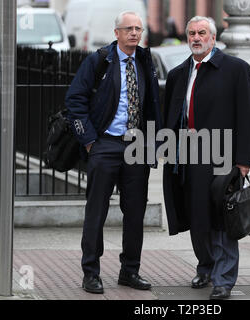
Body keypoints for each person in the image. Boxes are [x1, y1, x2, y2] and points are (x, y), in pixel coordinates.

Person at [162, 16, 250, 300]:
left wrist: (243, 161)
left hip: (222, 156)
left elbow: (248, 117)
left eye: (202, 33)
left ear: (213, 38)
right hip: (188, 156)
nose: (196, 37)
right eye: (191, 33)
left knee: (221, 219)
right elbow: (172, 116)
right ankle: (205, 266)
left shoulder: (236, 69)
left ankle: (223, 279)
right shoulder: (179, 73)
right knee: (196, 217)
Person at [65, 11, 162, 294]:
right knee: (97, 211)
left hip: (136, 146)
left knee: (135, 212)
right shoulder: (99, 60)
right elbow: (75, 100)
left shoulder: (145, 61)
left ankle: (130, 271)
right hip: (105, 143)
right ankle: (91, 272)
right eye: (128, 29)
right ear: (117, 32)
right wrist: (89, 140)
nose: (134, 33)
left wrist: (154, 145)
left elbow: (154, 105)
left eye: (138, 29)